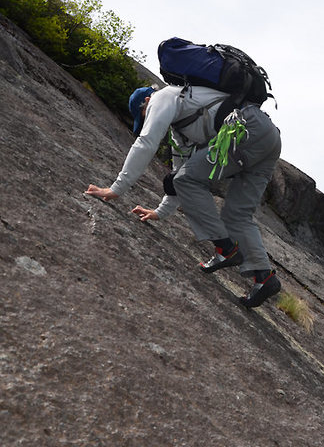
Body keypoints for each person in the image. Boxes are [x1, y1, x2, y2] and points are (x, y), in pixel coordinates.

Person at [85, 83, 282, 308]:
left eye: (144, 115)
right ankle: (265, 279)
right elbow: (181, 173)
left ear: (146, 103)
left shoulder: (163, 97)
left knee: (188, 180)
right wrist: (160, 212)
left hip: (245, 129)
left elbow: (146, 143)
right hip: (268, 136)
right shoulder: (182, 127)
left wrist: (116, 189)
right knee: (237, 214)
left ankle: (226, 250)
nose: (148, 120)